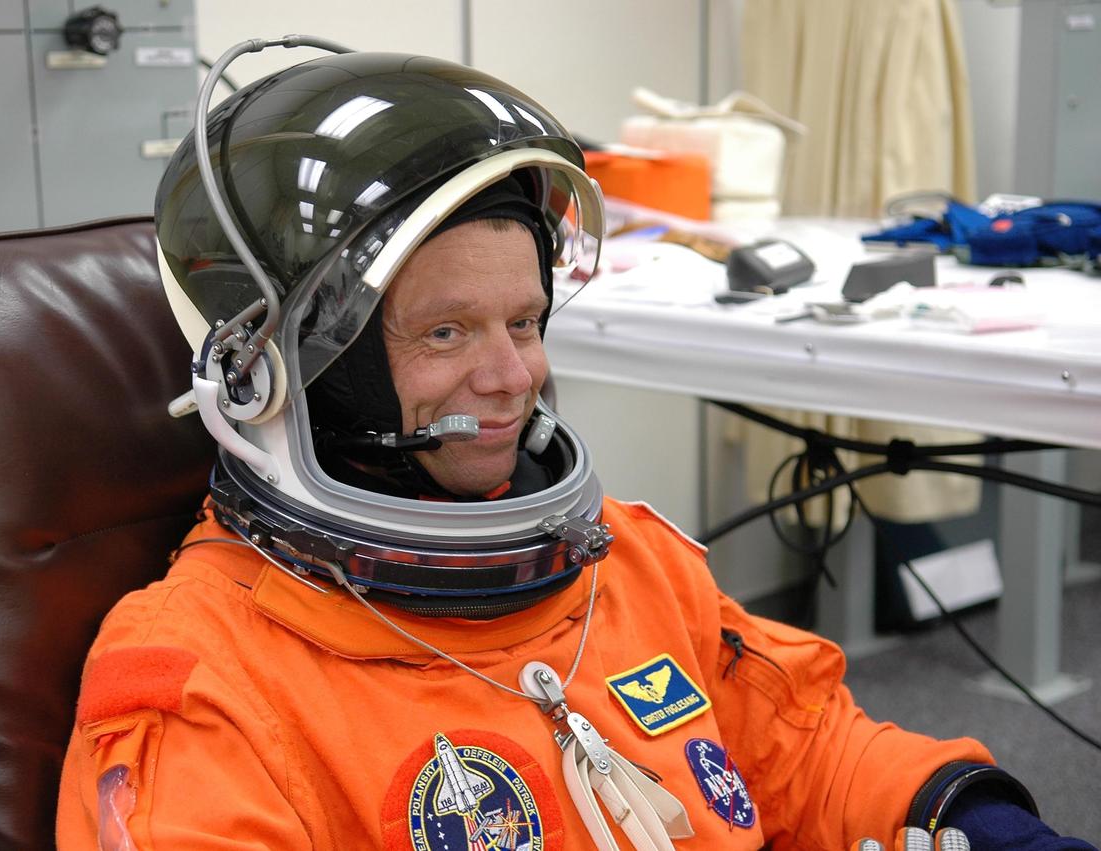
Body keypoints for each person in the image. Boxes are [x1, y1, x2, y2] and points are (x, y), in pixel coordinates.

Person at [57, 43, 1094, 851]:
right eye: (445, 332)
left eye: (524, 320)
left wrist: (967, 811)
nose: (513, 375)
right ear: (286, 370)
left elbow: (808, 744)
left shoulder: (626, 559)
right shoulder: (201, 680)